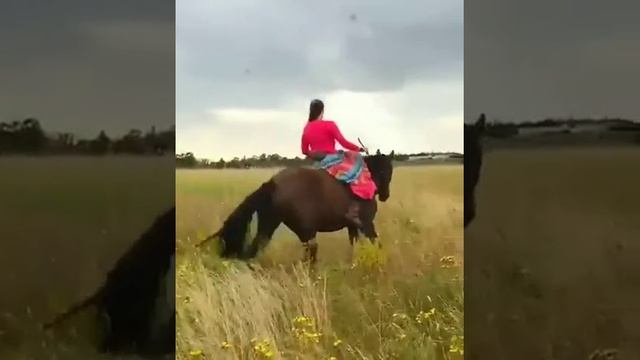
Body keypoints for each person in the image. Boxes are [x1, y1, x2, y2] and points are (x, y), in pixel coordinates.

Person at [300, 99, 371, 227]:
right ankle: (353, 210)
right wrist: (360, 149)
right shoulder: (329, 124)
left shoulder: (307, 128)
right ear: (322, 111)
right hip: (332, 159)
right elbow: (343, 142)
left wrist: (316, 155)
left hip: (318, 161)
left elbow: (304, 150)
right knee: (358, 170)